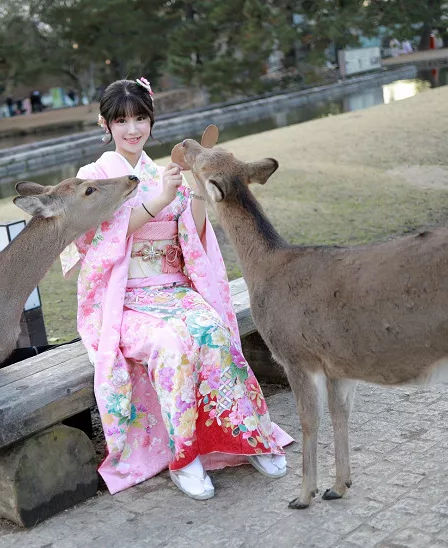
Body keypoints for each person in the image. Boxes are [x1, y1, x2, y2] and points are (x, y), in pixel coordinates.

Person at [59, 78, 293, 501]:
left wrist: (196, 193)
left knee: (213, 329)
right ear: (105, 124)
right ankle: (186, 458)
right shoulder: (92, 177)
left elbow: (196, 239)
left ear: (151, 121)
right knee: (172, 342)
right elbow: (91, 246)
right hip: (124, 299)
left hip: (172, 287)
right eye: (122, 120)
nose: (133, 129)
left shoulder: (164, 171)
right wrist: (157, 202)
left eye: (140, 118)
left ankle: (246, 436)